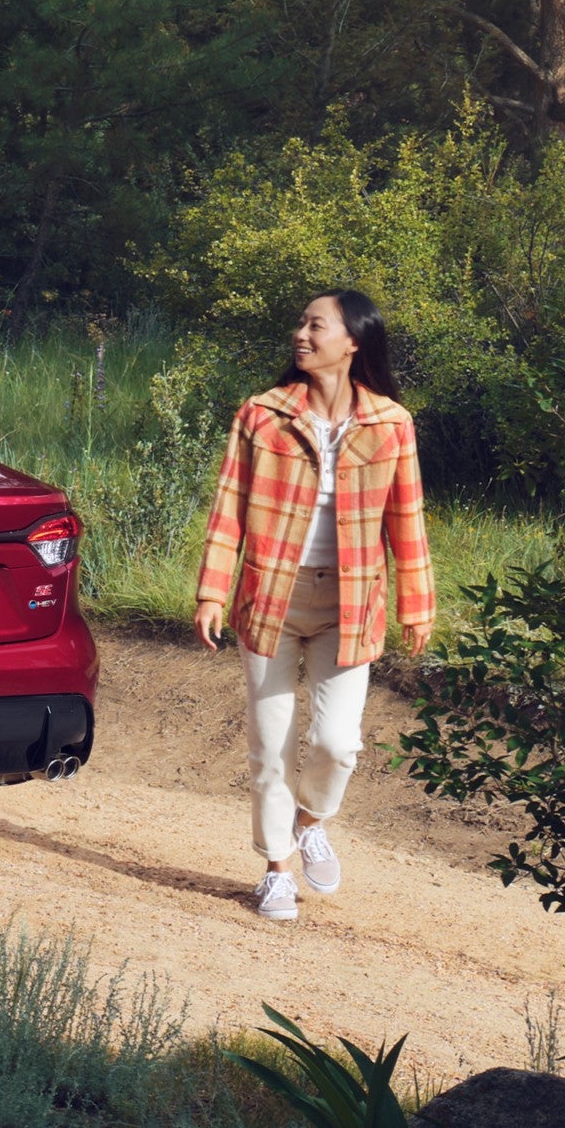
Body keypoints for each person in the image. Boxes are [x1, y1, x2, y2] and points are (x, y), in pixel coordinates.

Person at [194, 289, 433, 920]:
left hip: (352, 602)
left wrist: (417, 603)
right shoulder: (261, 415)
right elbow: (228, 509)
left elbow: (405, 519)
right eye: (299, 322)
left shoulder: (390, 423)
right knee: (269, 745)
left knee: (337, 744)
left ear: (353, 341)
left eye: (314, 325)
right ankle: (276, 869)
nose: (301, 333)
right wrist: (213, 589)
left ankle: (310, 820)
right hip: (271, 597)